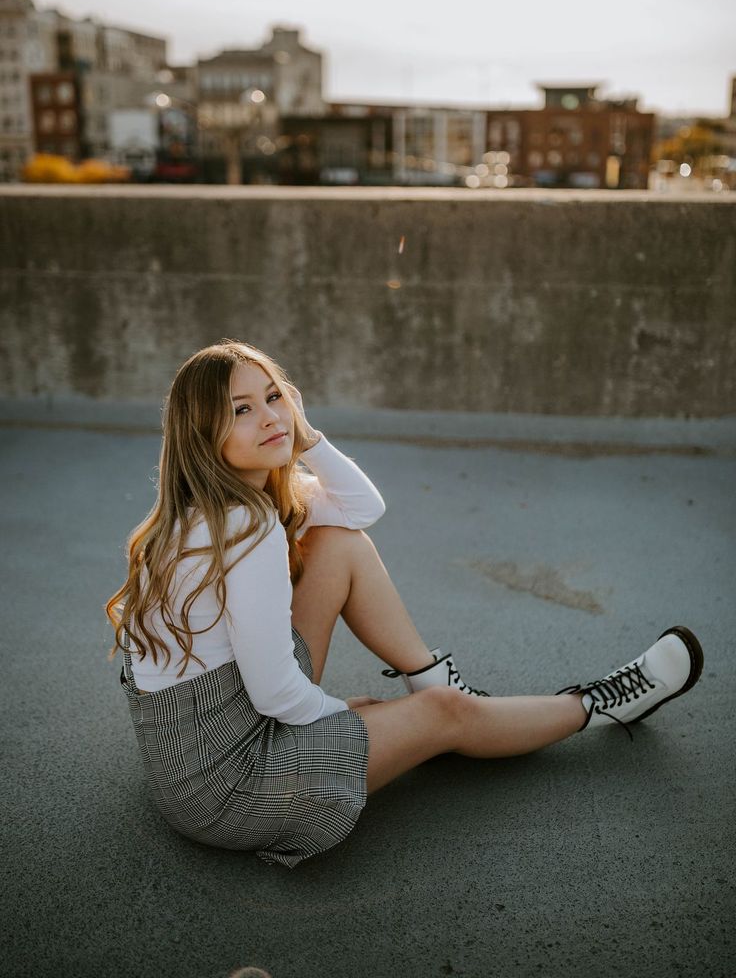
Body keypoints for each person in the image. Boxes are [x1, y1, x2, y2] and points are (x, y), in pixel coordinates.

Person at [107, 339, 704, 870]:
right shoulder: (245, 527)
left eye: (273, 397)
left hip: (192, 751)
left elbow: (363, 511)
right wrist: (338, 712)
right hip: (233, 788)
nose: (270, 417)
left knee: (338, 543)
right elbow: (272, 694)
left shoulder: (215, 504)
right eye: (242, 410)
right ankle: (598, 705)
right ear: (204, 433)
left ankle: (431, 685)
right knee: (448, 715)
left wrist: (306, 438)